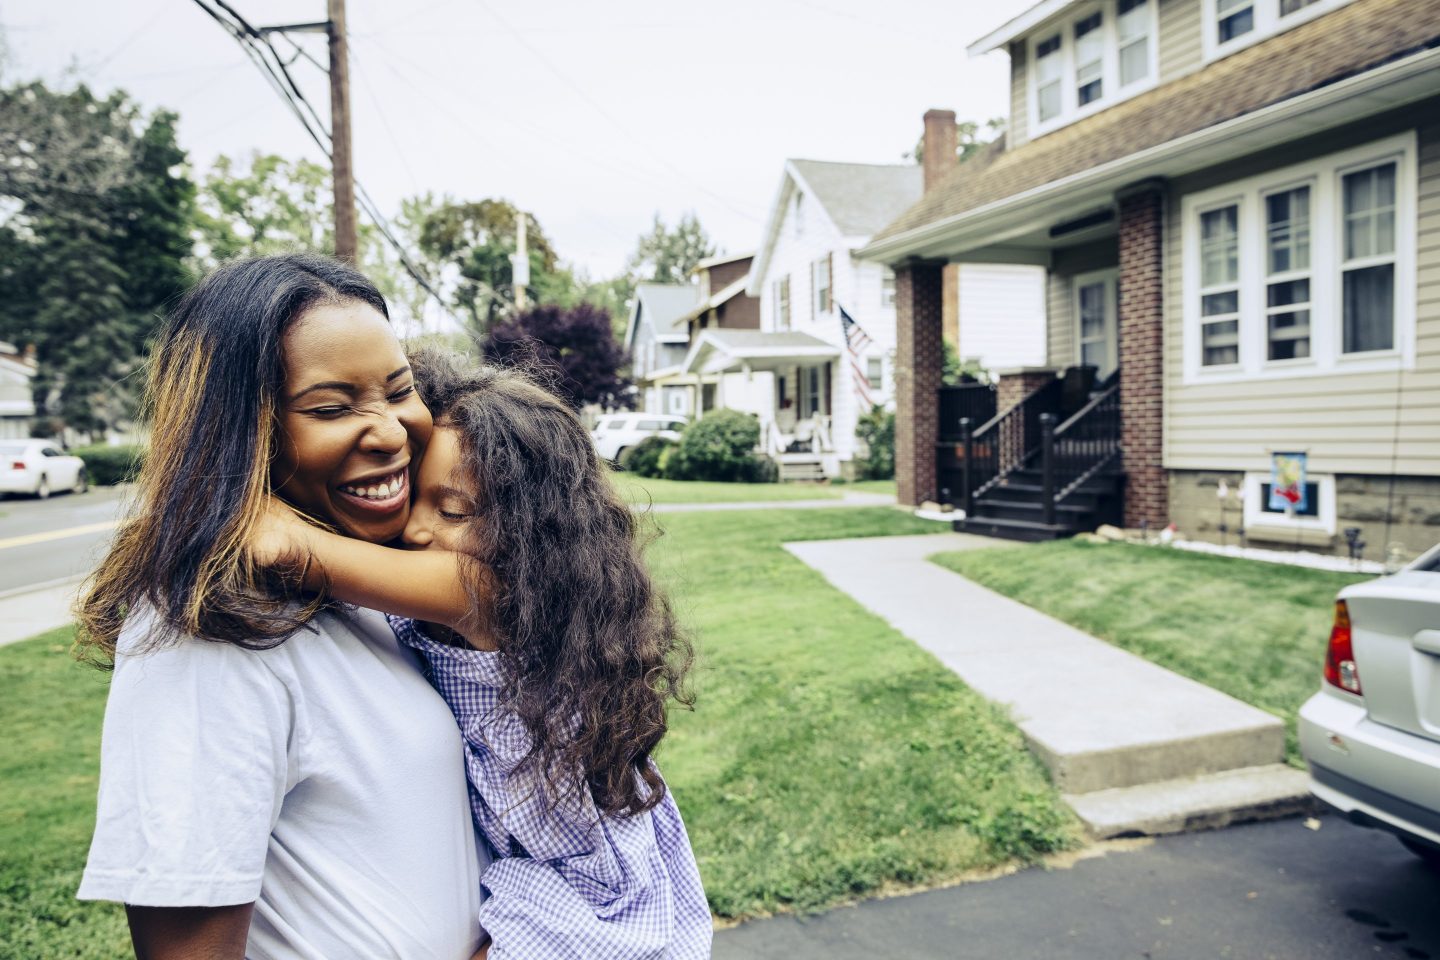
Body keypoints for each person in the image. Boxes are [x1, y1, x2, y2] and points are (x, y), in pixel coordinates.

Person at [75, 255, 487, 960]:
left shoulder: (358, 580)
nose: (390, 431)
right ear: (239, 432)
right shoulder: (203, 636)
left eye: (398, 390)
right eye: (331, 408)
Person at [251, 348, 713, 959]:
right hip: (532, 878)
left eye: (452, 510)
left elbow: (282, 547)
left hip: (591, 905)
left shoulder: (488, 596)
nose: (414, 529)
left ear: (530, 536)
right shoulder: (436, 593)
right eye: (415, 495)